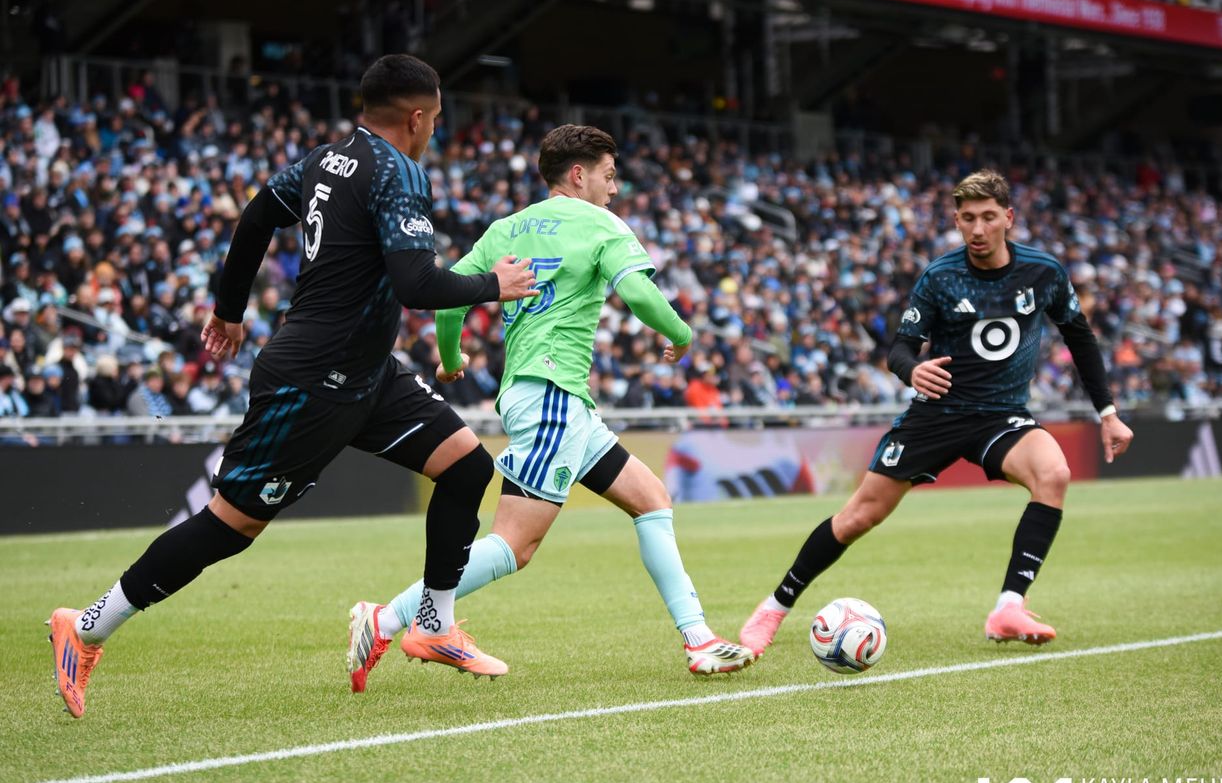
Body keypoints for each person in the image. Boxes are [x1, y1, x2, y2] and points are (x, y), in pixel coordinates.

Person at [47, 54, 539, 718]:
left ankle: (433, 625)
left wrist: (228, 308)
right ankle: (86, 626)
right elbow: (416, 284)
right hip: (311, 382)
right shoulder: (397, 170)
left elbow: (255, 217)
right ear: (418, 117)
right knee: (230, 526)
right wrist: (494, 286)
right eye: (437, 117)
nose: (435, 129)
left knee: (465, 466)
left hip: (366, 372)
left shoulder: (324, 160)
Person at [347, 125, 754, 692]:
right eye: (609, 176)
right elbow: (638, 294)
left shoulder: (505, 230)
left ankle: (699, 637)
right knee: (516, 544)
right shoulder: (601, 225)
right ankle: (386, 618)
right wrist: (681, 336)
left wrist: (451, 358)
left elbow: (449, 300)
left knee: (651, 499)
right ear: (579, 174)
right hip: (552, 396)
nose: (616, 189)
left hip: (550, 399)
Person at [738, 169, 1135, 656]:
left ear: (1008, 218)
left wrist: (1108, 411)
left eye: (989, 217)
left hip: (1001, 416)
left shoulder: (1043, 273)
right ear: (956, 221)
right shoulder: (941, 277)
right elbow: (900, 349)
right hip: (938, 415)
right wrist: (914, 371)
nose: (978, 229)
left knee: (1053, 473)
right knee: (860, 516)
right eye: (968, 218)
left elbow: (1080, 336)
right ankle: (773, 609)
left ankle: (1009, 606)